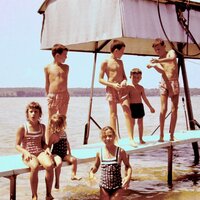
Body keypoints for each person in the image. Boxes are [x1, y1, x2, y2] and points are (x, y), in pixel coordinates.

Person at [99, 39, 136, 147]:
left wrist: (124, 81)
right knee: (113, 115)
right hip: (111, 89)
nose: (123, 54)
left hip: (122, 90)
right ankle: (114, 139)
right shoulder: (105, 62)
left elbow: (124, 76)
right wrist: (113, 85)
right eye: (122, 51)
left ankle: (131, 138)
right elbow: (100, 79)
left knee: (127, 112)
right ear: (116, 50)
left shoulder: (120, 62)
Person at [15, 102, 54, 200]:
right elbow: (16, 145)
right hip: (28, 153)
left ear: (40, 114)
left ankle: (48, 194)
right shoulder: (23, 127)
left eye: (36, 112)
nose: (33, 114)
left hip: (39, 152)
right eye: (31, 111)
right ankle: (34, 195)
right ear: (27, 113)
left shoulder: (42, 127)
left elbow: (43, 143)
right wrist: (25, 152)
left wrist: (47, 148)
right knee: (35, 166)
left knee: (50, 165)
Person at [147, 38, 179, 142]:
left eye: (159, 49)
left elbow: (172, 58)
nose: (157, 51)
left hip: (174, 82)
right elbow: (161, 71)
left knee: (174, 109)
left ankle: (172, 134)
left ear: (164, 46)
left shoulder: (171, 52)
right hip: (164, 83)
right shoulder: (158, 59)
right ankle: (161, 135)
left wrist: (158, 61)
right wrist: (154, 65)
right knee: (163, 109)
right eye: (156, 50)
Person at [89, 126, 132, 200]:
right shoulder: (100, 152)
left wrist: (128, 177)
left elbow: (128, 166)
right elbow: (96, 166)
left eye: (110, 136)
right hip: (104, 187)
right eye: (104, 137)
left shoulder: (120, 151)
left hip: (117, 186)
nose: (107, 139)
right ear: (102, 138)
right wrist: (91, 173)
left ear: (114, 136)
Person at [48, 113, 81, 189]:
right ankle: (57, 181)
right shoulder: (53, 135)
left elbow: (67, 142)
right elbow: (49, 147)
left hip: (64, 154)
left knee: (74, 160)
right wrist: (50, 156)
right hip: (56, 154)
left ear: (62, 125)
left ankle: (73, 175)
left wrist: (69, 152)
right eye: (55, 126)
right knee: (59, 163)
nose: (57, 128)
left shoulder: (64, 133)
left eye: (59, 126)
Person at [128, 68, 155, 144]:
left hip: (140, 106)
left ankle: (140, 139)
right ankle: (131, 139)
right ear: (130, 76)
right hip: (131, 106)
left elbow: (145, 98)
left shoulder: (141, 88)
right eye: (134, 77)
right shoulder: (128, 87)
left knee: (140, 123)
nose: (136, 79)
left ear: (141, 78)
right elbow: (125, 98)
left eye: (138, 78)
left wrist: (150, 107)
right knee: (132, 123)